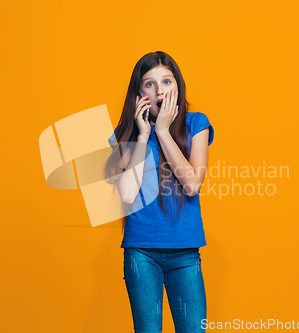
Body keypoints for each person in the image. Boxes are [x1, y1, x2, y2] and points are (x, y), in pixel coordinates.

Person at [104, 51, 214, 333]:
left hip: (185, 251)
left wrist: (163, 132)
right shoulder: (127, 132)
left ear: (177, 85)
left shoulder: (196, 124)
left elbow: (191, 184)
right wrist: (143, 136)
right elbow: (128, 195)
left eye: (166, 81)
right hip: (141, 252)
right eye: (149, 84)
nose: (160, 91)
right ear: (139, 93)